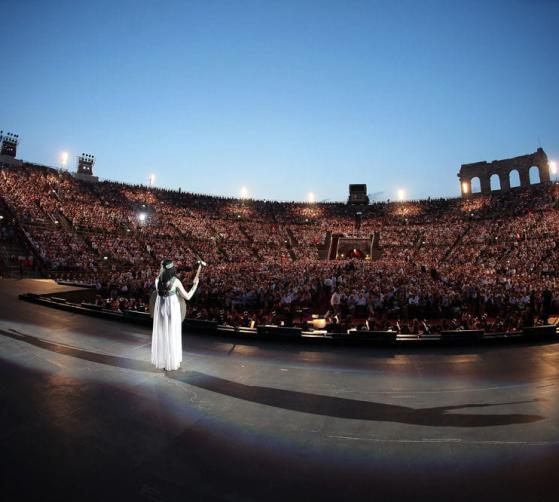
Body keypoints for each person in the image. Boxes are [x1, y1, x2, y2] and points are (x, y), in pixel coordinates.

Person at [151, 259, 202, 371]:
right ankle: (171, 362)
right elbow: (188, 296)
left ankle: (163, 361)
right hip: (171, 311)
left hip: (160, 310)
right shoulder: (176, 281)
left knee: (163, 335)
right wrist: (195, 285)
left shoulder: (157, 280)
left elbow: (161, 294)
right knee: (171, 335)